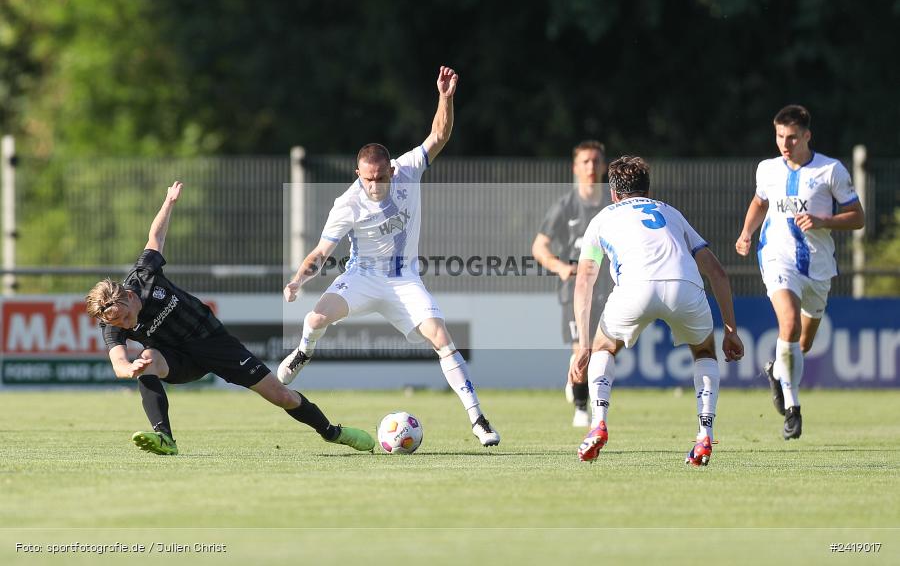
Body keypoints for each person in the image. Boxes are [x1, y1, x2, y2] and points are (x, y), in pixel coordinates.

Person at [278, 66, 500, 447]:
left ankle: (478, 419)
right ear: (357, 173)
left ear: (391, 169)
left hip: (404, 279)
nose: (375, 184)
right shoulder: (347, 203)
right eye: (368, 178)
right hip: (361, 277)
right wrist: (299, 280)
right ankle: (302, 353)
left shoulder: (409, 169)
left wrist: (445, 97)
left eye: (381, 177)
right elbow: (321, 251)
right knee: (315, 317)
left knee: (442, 339)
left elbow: (439, 135)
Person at [84, 181, 375, 456]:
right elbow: (119, 362)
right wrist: (132, 368)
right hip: (178, 360)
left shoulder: (145, 277)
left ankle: (332, 432)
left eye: (123, 318)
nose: (122, 325)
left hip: (213, 342)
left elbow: (155, 237)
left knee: (281, 396)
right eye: (116, 324)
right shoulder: (110, 323)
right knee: (148, 359)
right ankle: (165, 438)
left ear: (130, 297)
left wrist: (169, 202)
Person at [570, 156, 744, 466]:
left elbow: (585, 278)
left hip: (635, 289)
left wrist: (583, 343)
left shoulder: (602, 218)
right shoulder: (671, 213)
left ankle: (598, 421)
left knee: (604, 347)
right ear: (648, 191)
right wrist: (731, 330)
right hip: (684, 288)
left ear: (613, 193)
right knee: (704, 353)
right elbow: (717, 272)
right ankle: (704, 435)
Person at [735, 105, 865, 440]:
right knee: (789, 324)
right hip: (777, 258)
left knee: (802, 343)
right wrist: (747, 232)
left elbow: (857, 216)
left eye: (792, 137)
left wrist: (825, 221)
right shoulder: (767, 169)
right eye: (779, 136)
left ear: (807, 135)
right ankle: (793, 410)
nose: (785, 143)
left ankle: (777, 372)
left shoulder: (830, 170)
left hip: (818, 267)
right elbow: (760, 202)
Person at [532, 140, 612, 427]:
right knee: (582, 348)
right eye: (585, 162)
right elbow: (539, 247)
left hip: (610, 288)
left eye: (595, 161)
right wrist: (561, 268)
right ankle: (581, 407)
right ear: (575, 168)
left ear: (603, 166)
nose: (591, 167)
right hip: (576, 289)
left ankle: (582, 390)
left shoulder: (612, 204)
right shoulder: (564, 206)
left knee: (603, 349)